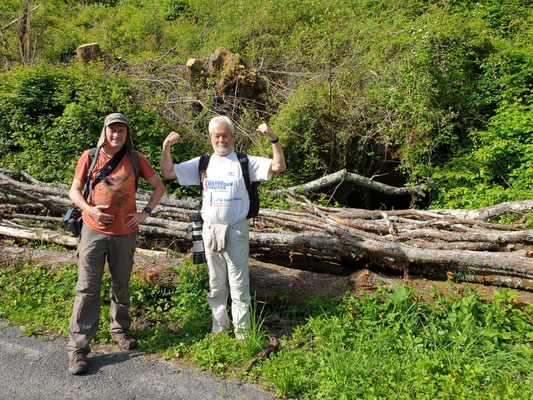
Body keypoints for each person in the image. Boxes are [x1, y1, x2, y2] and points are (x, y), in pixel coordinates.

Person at [160, 116, 286, 340]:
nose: (221, 139)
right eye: (217, 135)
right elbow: (168, 173)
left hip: (236, 230)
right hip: (210, 231)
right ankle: (219, 329)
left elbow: (278, 166)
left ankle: (244, 335)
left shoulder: (244, 162)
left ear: (233, 137)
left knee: (239, 285)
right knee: (216, 284)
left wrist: (273, 139)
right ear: (210, 138)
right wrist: (166, 146)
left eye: (225, 135)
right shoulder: (203, 163)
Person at [67, 113, 166, 375]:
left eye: (121, 131)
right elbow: (74, 191)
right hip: (93, 230)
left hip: (125, 232)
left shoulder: (135, 158)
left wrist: (145, 212)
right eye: (112, 130)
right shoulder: (89, 157)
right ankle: (78, 350)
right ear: (105, 131)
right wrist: (90, 209)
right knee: (87, 287)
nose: (117, 135)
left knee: (121, 283)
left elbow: (158, 186)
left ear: (127, 134)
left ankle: (120, 331)